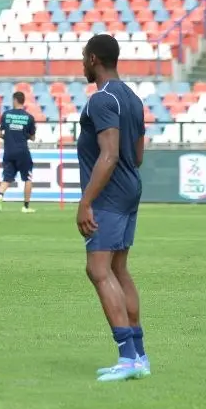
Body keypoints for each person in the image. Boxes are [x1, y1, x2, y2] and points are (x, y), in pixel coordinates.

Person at [75, 34, 149, 382]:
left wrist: (86, 201)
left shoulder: (101, 99)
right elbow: (137, 155)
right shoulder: (133, 98)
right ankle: (140, 356)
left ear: (93, 59)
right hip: (130, 188)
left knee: (98, 270)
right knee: (119, 269)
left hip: (108, 195)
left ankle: (127, 357)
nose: (82, 65)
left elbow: (110, 154)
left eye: (83, 59)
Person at [0, 91, 37, 213]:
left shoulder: (6, 115)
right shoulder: (29, 117)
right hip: (22, 151)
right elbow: (33, 137)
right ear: (23, 101)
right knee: (27, 178)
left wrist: (8, 138)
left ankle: (0, 196)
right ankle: (26, 206)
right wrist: (24, 135)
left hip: (8, 151)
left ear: (14, 100)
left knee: (7, 178)